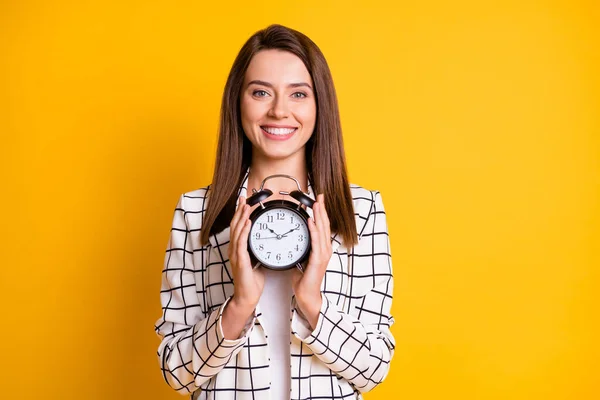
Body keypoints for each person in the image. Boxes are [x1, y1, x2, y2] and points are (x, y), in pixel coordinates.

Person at [154, 24, 395, 400]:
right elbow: (177, 374)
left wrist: (312, 301)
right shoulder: (196, 213)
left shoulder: (359, 211)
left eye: (298, 93)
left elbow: (374, 368)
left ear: (320, 106)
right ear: (239, 101)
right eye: (261, 92)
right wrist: (239, 306)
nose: (279, 111)